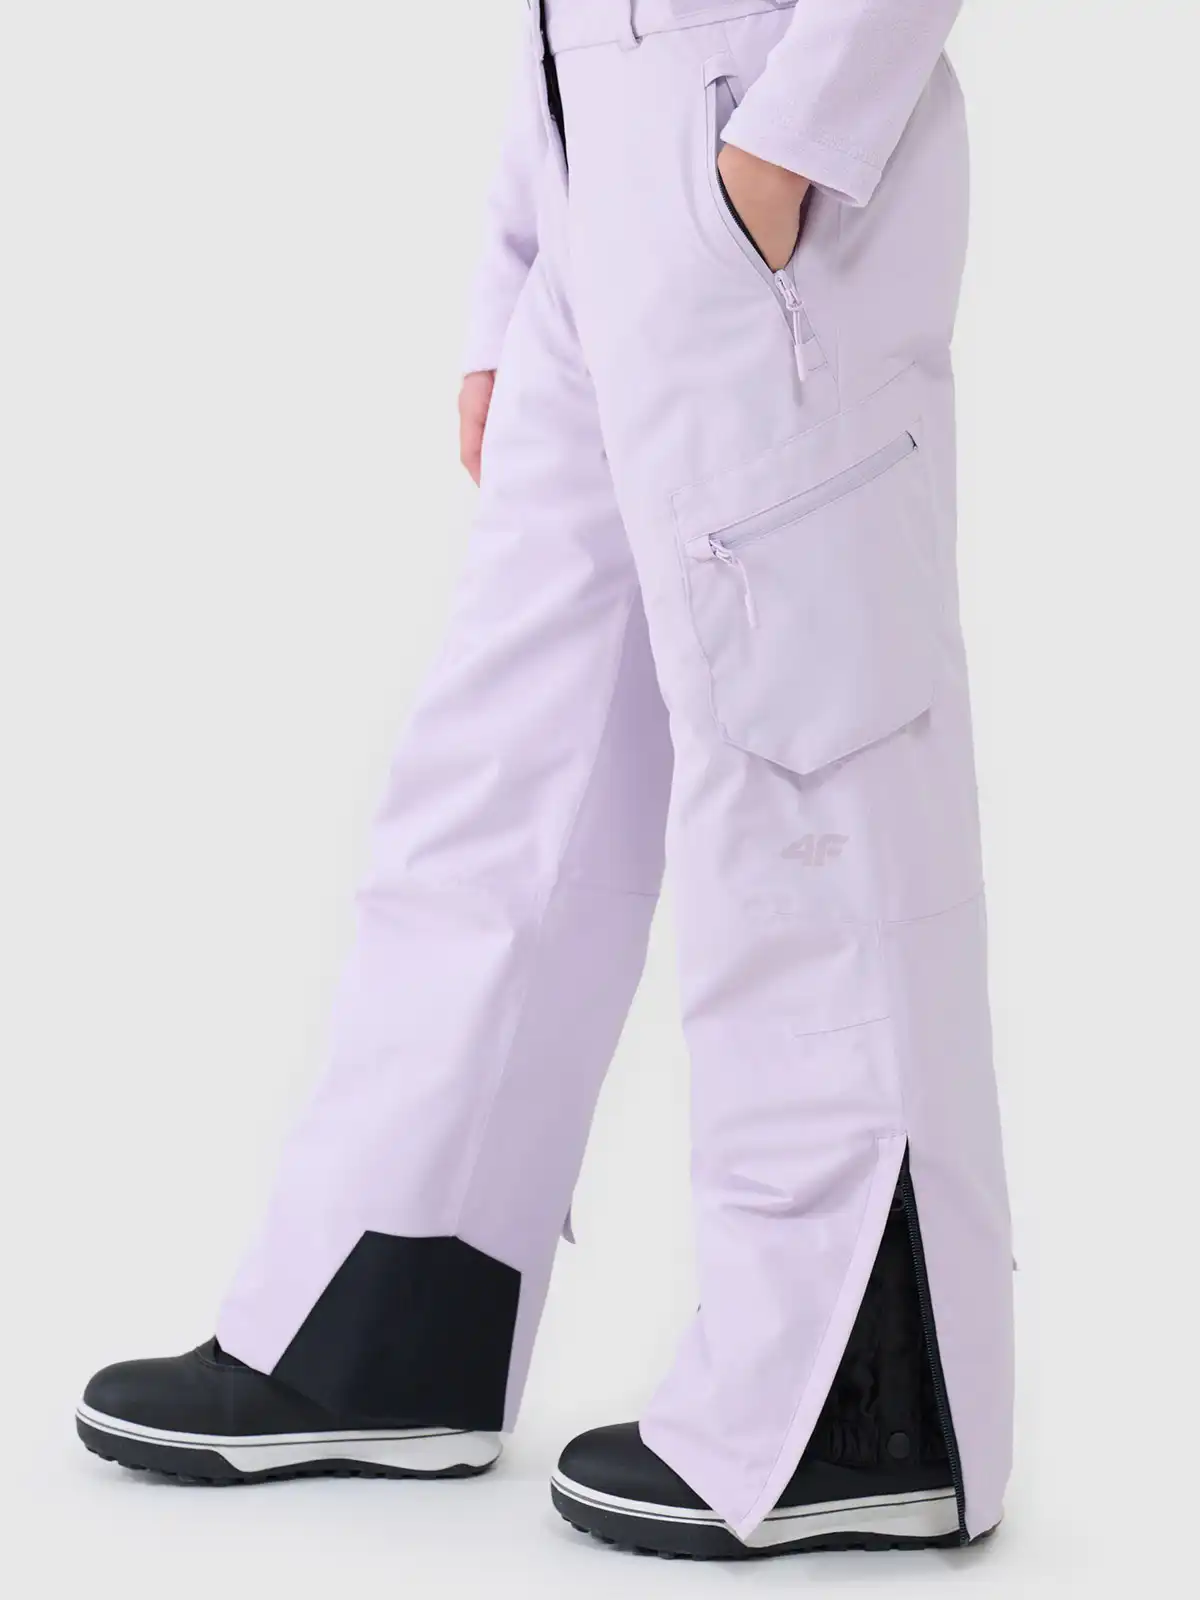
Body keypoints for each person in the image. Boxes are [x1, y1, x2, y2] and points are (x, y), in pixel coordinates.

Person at [76, 0, 1013, 1561]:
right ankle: (391, 1311)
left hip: (756, 136)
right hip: (602, 148)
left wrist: (787, 143)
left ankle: (852, 1405)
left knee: (806, 758)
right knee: (507, 767)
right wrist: (522, 254)